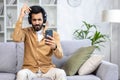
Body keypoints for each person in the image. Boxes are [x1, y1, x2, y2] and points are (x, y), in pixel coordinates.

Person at [12, 4, 67, 80]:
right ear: (30, 20)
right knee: (21, 74)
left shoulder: (54, 34)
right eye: (34, 20)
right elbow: (16, 38)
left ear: (43, 20)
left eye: (39, 19)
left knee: (61, 73)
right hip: (30, 70)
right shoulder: (26, 32)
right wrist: (21, 16)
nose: (37, 23)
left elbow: (60, 56)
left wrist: (55, 47)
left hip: (47, 69)